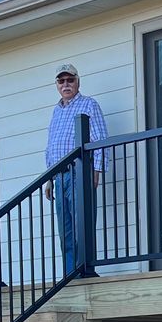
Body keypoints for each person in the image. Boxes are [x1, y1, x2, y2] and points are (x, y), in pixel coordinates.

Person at [42, 62, 107, 275]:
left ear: (78, 82)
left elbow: (100, 140)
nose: (66, 84)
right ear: (57, 85)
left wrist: (96, 172)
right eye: (61, 81)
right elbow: (51, 146)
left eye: (70, 80)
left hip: (80, 172)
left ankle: (85, 270)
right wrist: (50, 178)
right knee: (66, 231)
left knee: (83, 224)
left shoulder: (89, 104)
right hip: (59, 177)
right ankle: (70, 274)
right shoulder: (56, 111)